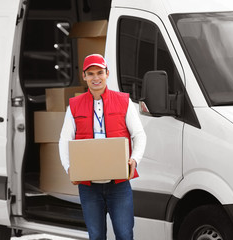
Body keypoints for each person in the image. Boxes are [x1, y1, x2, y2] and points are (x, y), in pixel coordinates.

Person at [59, 54, 146, 240]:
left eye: (100, 72)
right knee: (96, 235)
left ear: (107, 73)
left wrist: (135, 159)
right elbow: (64, 140)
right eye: (91, 74)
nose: (96, 78)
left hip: (119, 185)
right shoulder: (74, 106)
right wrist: (69, 168)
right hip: (89, 187)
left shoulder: (124, 101)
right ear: (84, 76)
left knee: (124, 234)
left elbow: (139, 135)